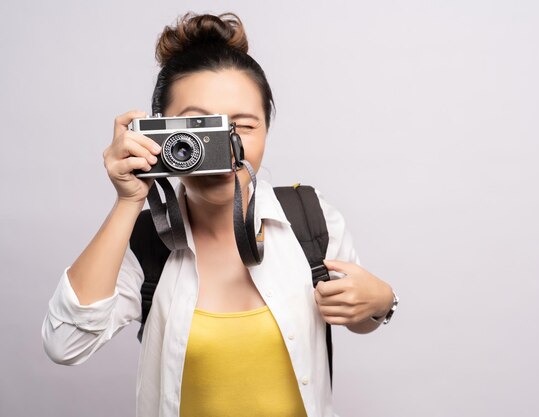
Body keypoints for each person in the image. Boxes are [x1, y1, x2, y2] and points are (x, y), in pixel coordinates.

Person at [42, 12, 397, 417]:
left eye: (242, 127)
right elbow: (65, 344)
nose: (222, 147)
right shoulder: (146, 243)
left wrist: (382, 303)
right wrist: (128, 201)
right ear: (156, 132)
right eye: (199, 128)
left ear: (266, 131)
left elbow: (356, 315)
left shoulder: (311, 219)